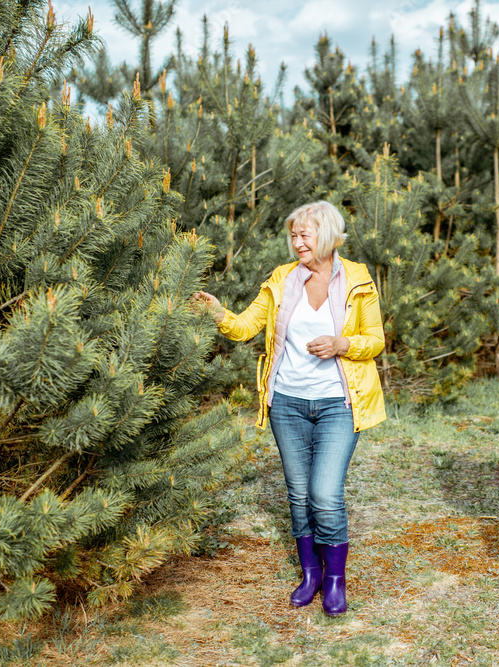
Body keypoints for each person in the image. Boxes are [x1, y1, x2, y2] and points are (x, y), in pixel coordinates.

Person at [192, 201, 385, 616]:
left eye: (305, 235)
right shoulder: (283, 279)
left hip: (338, 402)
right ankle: (311, 573)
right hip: (287, 403)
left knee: (324, 493)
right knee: (299, 494)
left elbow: (376, 339)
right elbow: (245, 327)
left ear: (328, 236)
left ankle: (336, 581)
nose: (297, 242)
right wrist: (217, 312)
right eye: (293, 235)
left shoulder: (357, 280)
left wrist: (341, 344)